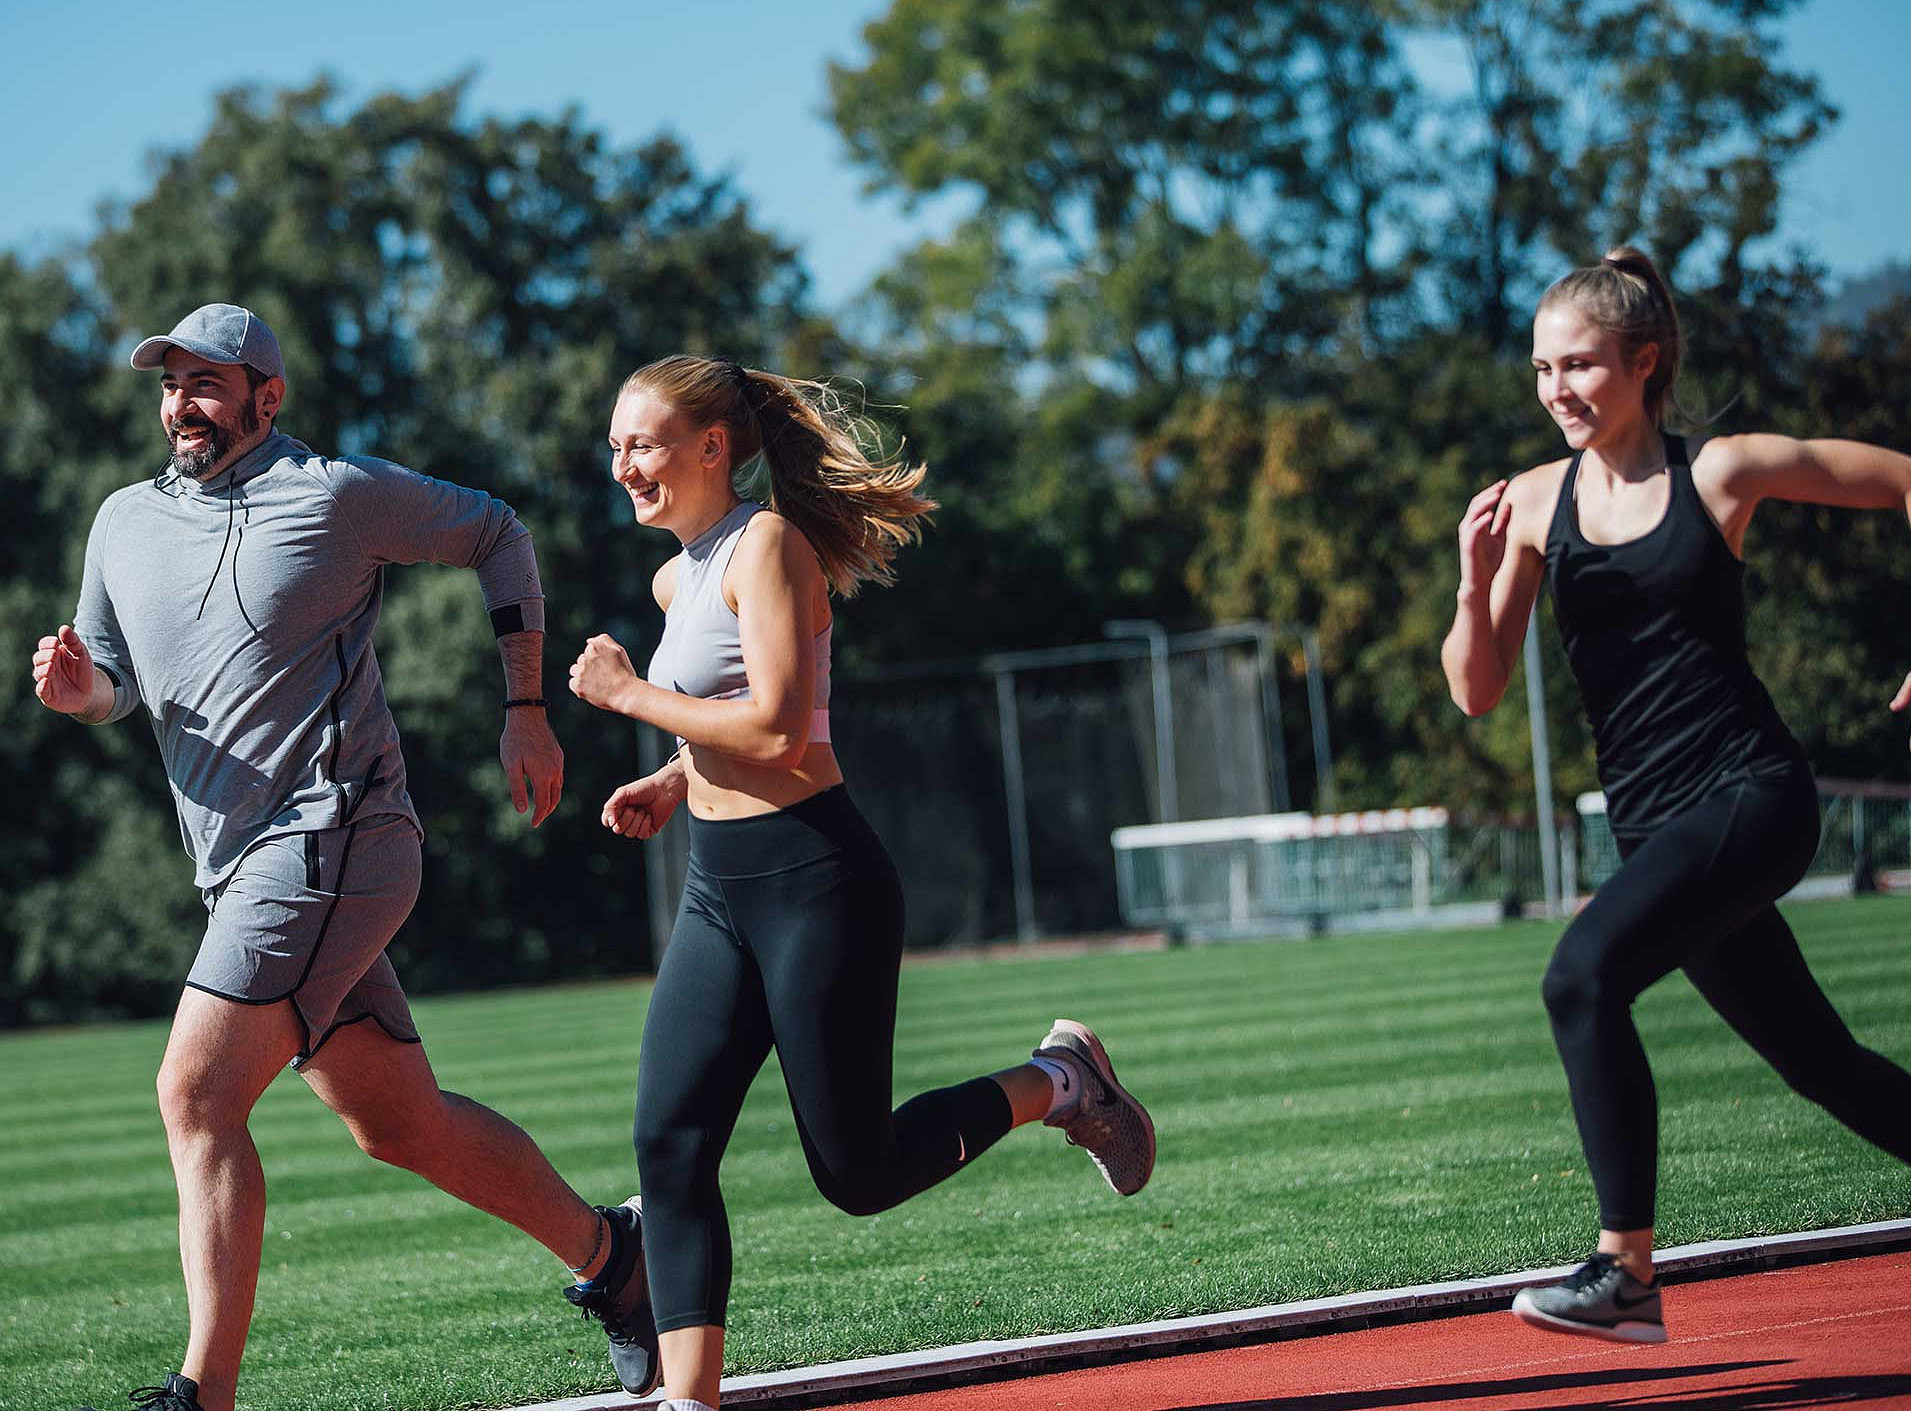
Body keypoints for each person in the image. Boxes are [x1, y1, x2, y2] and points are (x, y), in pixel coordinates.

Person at [34, 304, 657, 1411]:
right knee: (400, 1125)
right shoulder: (122, 520)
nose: (182, 404)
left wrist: (524, 709)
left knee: (194, 1092)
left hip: (335, 834)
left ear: (266, 397)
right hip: (239, 868)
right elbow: (117, 684)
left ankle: (202, 1394)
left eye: (207, 383)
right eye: (171, 384)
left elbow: (499, 532)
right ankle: (617, 1259)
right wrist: (84, 694)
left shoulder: (333, 493)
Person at [565, 355, 1156, 1411]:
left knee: (860, 1171)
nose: (622, 466)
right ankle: (688, 1402)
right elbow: (738, 717)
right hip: (718, 890)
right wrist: (673, 779)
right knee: (669, 1143)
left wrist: (630, 696)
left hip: (814, 883)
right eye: (614, 446)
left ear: (712, 446)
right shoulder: (676, 576)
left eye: (641, 443)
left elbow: (781, 730)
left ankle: (1062, 1080)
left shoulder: (768, 545)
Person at [1442, 248, 1911, 1344]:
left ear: (1644, 361)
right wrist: (1472, 584)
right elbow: (1476, 689)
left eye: (1579, 365)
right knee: (1823, 1064)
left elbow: (1909, 478)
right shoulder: (1533, 503)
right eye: (1542, 369)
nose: (1557, 389)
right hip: (1657, 827)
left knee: (1581, 976)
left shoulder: (1720, 473)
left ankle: (1626, 1271)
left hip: (1752, 794)